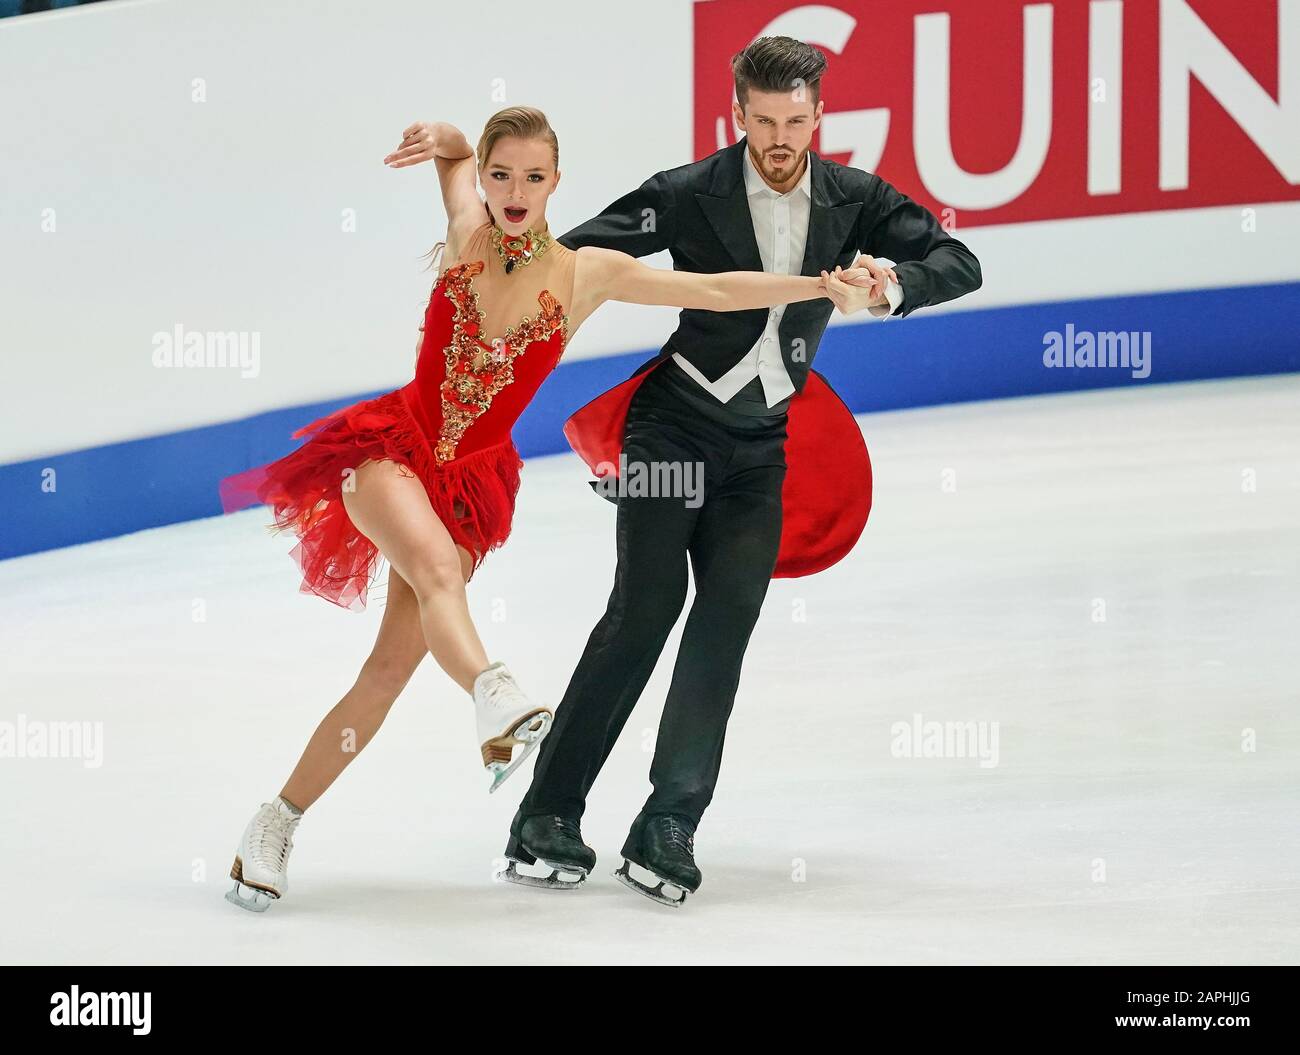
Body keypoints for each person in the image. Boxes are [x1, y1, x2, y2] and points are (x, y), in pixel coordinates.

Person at [215, 105, 872, 911]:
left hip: (468, 483)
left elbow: (712, 286)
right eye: (501, 175)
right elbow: (452, 160)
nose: (514, 191)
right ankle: (495, 690)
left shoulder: (587, 272)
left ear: (557, 182)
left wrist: (817, 284)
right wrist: (448, 138)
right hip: (390, 450)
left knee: (385, 672)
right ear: (487, 180)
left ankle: (275, 820)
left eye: (533, 176)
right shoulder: (466, 230)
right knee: (431, 570)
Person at [499, 38, 983, 907]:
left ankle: (669, 821)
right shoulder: (692, 193)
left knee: (724, 626)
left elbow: (958, 262)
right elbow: (573, 254)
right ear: (739, 115)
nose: (779, 137)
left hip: (761, 448)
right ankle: (548, 811)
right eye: (762, 120)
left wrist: (886, 289)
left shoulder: (854, 198)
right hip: (668, 432)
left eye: (795, 120)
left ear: (818, 117)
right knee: (643, 608)